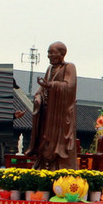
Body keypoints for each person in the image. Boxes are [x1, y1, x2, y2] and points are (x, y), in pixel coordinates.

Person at [25, 42, 78, 170]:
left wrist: (51, 85)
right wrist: (38, 96)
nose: (49, 56)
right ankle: (43, 165)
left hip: (60, 114)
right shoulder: (49, 69)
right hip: (48, 113)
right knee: (45, 140)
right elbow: (42, 88)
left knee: (61, 143)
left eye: (52, 52)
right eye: (48, 53)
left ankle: (59, 167)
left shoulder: (69, 67)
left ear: (62, 53)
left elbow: (69, 87)